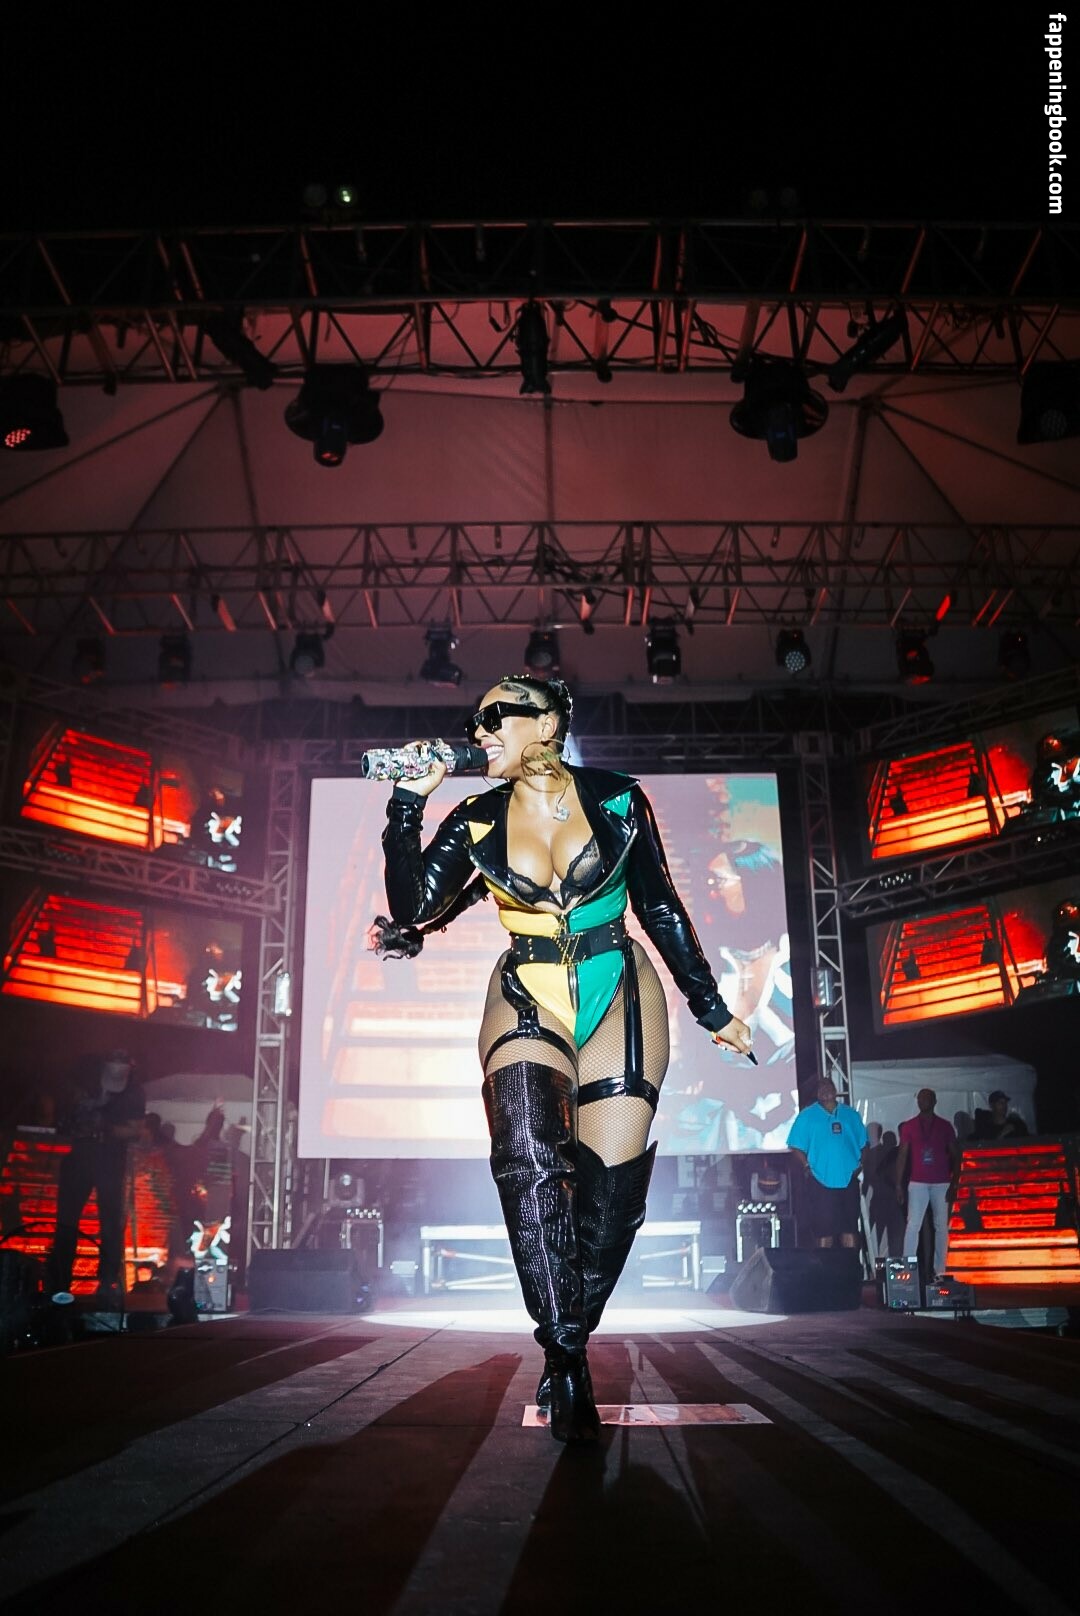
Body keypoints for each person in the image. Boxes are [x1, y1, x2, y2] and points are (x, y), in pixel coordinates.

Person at [373, 674, 751, 1444]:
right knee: (529, 1161)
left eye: (496, 716)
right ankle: (568, 1357)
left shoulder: (618, 799)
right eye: (476, 720)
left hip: (619, 986)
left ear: (546, 723)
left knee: (608, 1200)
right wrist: (408, 804)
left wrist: (712, 1009)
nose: (480, 732)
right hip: (527, 988)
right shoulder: (475, 816)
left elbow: (661, 905)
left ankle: (565, 1333)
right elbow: (415, 906)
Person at [48, 1049, 145, 1301]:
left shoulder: (133, 1092)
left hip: (110, 1158)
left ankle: (107, 1282)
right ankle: (59, 1282)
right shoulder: (85, 1083)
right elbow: (63, 1119)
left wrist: (106, 1127)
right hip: (80, 1155)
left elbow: (135, 1130)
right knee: (67, 1223)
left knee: (110, 1223)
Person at [786, 1078, 868, 1249]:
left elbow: (864, 1143)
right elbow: (794, 1145)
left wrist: (860, 1165)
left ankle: (850, 1264)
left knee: (850, 1227)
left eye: (828, 1087)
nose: (825, 1090)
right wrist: (806, 1165)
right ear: (817, 1094)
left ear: (835, 1090)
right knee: (824, 1230)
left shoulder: (850, 1114)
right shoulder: (807, 1115)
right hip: (821, 1179)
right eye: (821, 1088)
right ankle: (825, 1265)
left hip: (848, 1179)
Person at [896, 1089, 959, 1279]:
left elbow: (956, 1155)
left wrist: (954, 1183)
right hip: (917, 1182)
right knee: (913, 1225)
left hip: (942, 1182)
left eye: (926, 1098)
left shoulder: (945, 1126)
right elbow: (902, 1155)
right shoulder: (910, 1126)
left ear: (934, 1101)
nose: (922, 1101)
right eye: (920, 1098)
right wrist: (898, 1184)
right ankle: (907, 1269)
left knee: (941, 1226)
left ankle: (940, 1271)